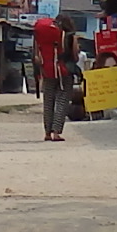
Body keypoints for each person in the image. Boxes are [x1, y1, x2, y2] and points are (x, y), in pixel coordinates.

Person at [34, 12, 71, 141]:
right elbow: (74, 55)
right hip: (63, 71)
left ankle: (47, 133)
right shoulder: (66, 35)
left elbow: (36, 56)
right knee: (62, 100)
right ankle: (56, 132)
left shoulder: (41, 36)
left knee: (48, 102)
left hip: (47, 70)